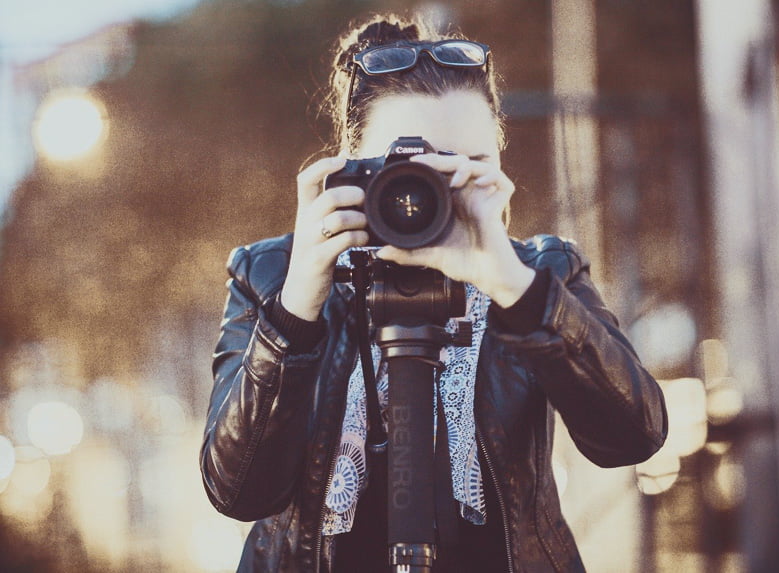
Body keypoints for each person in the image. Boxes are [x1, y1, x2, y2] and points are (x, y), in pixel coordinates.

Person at [200, 13, 667, 573]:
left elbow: (633, 438)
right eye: (410, 167)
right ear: (350, 169)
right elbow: (237, 491)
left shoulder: (540, 272)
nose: (432, 194)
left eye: (468, 167)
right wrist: (297, 308)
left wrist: (513, 287)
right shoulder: (273, 274)